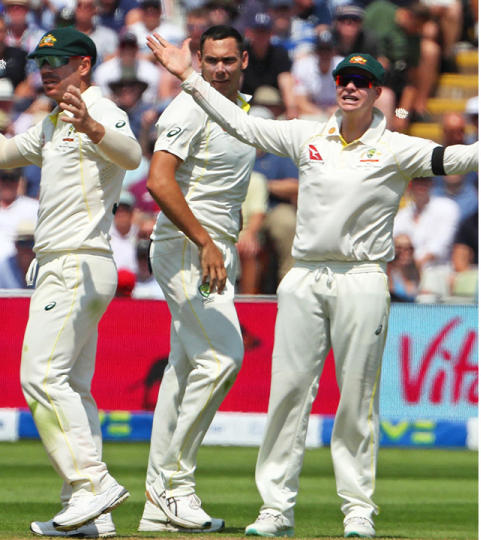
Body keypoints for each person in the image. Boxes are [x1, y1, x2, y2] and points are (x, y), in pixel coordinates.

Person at [147, 36, 478, 537]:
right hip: (303, 277)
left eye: (362, 82)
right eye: (344, 79)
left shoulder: (396, 147)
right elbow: (239, 122)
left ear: (377, 93)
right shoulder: (307, 136)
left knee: (357, 399)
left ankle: (357, 510)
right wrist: (187, 77)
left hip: (363, 277)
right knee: (289, 394)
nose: (350, 88)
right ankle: (276, 509)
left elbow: (460, 160)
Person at [0, 27, 140, 536]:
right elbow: (6, 153)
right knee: (73, 388)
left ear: (84, 64)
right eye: (41, 63)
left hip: (77, 263)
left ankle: (91, 482)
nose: (46, 69)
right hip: (64, 265)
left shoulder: (99, 108)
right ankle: (90, 514)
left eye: (57, 60)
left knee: (39, 377)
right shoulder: (54, 121)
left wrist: (95, 129)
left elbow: (131, 154)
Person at [139, 24, 256, 533]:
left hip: (213, 247)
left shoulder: (240, 110)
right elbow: (158, 180)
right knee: (222, 357)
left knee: (183, 375)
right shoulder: (190, 106)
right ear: (200, 62)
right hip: (188, 248)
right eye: (212, 61)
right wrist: (207, 240)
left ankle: (153, 509)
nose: (221, 69)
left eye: (229, 60)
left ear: (244, 60)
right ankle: (174, 486)